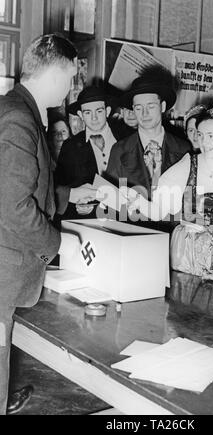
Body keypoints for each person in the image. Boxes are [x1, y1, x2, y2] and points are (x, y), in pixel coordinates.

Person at [0, 33, 81, 416]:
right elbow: (13, 206)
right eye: (70, 79)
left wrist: (72, 196)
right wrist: (58, 242)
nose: (70, 89)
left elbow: (24, 185)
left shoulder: (10, 108)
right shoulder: (20, 119)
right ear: (54, 74)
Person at [125, 88, 213, 281]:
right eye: (201, 135)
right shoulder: (188, 165)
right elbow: (160, 209)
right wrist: (140, 203)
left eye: (211, 135)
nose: (204, 142)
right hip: (188, 256)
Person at [106, 75, 191, 225]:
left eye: (151, 106)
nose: (144, 114)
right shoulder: (119, 150)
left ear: (163, 106)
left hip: (172, 238)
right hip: (133, 237)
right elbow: (110, 207)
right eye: (138, 108)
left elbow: (190, 206)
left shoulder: (184, 149)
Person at [55, 85, 124, 220]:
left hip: (126, 219)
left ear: (107, 111)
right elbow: (61, 188)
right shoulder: (70, 147)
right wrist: (75, 204)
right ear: (80, 115)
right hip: (89, 222)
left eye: (99, 111)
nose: (94, 118)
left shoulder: (126, 138)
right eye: (87, 112)